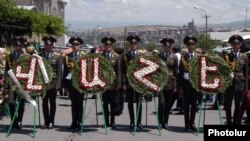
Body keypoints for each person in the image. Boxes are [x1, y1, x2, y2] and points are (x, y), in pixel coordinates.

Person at [121, 35, 144, 129]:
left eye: (135, 43)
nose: (133, 45)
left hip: (139, 82)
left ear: (137, 44)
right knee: (130, 103)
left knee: (139, 102)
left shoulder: (141, 55)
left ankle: (139, 122)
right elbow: (123, 70)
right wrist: (124, 83)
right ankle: (132, 121)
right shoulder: (125, 55)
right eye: (131, 43)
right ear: (129, 44)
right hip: (129, 82)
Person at [224, 34, 248, 125]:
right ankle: (229, 122)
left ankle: (236, 122)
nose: (236, 45)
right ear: (231, 45)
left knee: (238, 105)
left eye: (238, 43)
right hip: (229, 84)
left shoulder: (244, 57)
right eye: (234, 43)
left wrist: (246, 88)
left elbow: (246, 73)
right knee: (228, 105)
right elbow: (223, 72)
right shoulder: (227, 56)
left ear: (240, 44)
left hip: (240, 84)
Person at [63, 36, 86, 130]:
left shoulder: (84, 56)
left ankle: (80, 122)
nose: (75, 46)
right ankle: (74, 122)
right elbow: (65, 71)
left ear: (79, 46)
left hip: (81, 84)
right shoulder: (68, 57)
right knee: (73, 103)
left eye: (77, 44)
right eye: (73, 44)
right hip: (71, 84)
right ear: (71, 46)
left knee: (79, 103)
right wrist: (64, 85)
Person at [4, 37, 27, 129]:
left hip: (21, 84)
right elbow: (7, 71)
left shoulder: (25, 56)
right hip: (12, 83)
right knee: (11, 102)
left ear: (22, 46)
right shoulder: (9, 57)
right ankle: (14, 121)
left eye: (20, 45)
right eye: (16, 45)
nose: (18, 47)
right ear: (13, 46)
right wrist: (5, 86)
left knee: (21, 103)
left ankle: (20, 121)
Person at [40, 35, 62, 129]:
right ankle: (46, 121)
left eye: (50, 45)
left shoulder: (57, 56)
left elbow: (60, 72)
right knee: (44, 103)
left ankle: (51, 121)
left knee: (52, 103)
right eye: (46, 44)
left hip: (53, 84)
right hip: (43, 84)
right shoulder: (40, 56)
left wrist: (58, 85)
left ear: (53, 45)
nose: (48, 46)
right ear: (44, 45)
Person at [101, 36, 121, 129]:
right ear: (104, 45)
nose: (108, 46)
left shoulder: (116, 57)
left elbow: (119, 71)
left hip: (113, 84)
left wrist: (118, 84)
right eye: (106, 44)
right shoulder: (100, 56)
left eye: (109, 44)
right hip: (103, 84)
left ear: (112, 45)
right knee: (104, 104)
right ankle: (106, 121)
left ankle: (112, 121)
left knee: (113, 104)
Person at [158, 38, 178, 130]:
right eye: (166, 46)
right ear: (163, 47)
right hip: (161, 83)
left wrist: (175, 86)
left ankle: (165, 122)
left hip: (170, 83)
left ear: (171, 47)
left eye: (169, 46)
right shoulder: (159, 56)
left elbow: (176, 72)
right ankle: (160, 122)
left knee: (168, 105)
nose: (167, 47)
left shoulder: (174, 57)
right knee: (161, 103)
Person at [179, 35, 198, 131]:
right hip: (186, 84)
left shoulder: (199, 57)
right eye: (189, 44)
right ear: (186, 46)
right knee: (186, 105)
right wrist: (180, 86)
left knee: (194, 105)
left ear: (194, 45)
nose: (190, 46)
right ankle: (186, 123)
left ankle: (192, 122)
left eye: (192, 44)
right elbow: (180, 72)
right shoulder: (183, 58)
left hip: (195, 85)